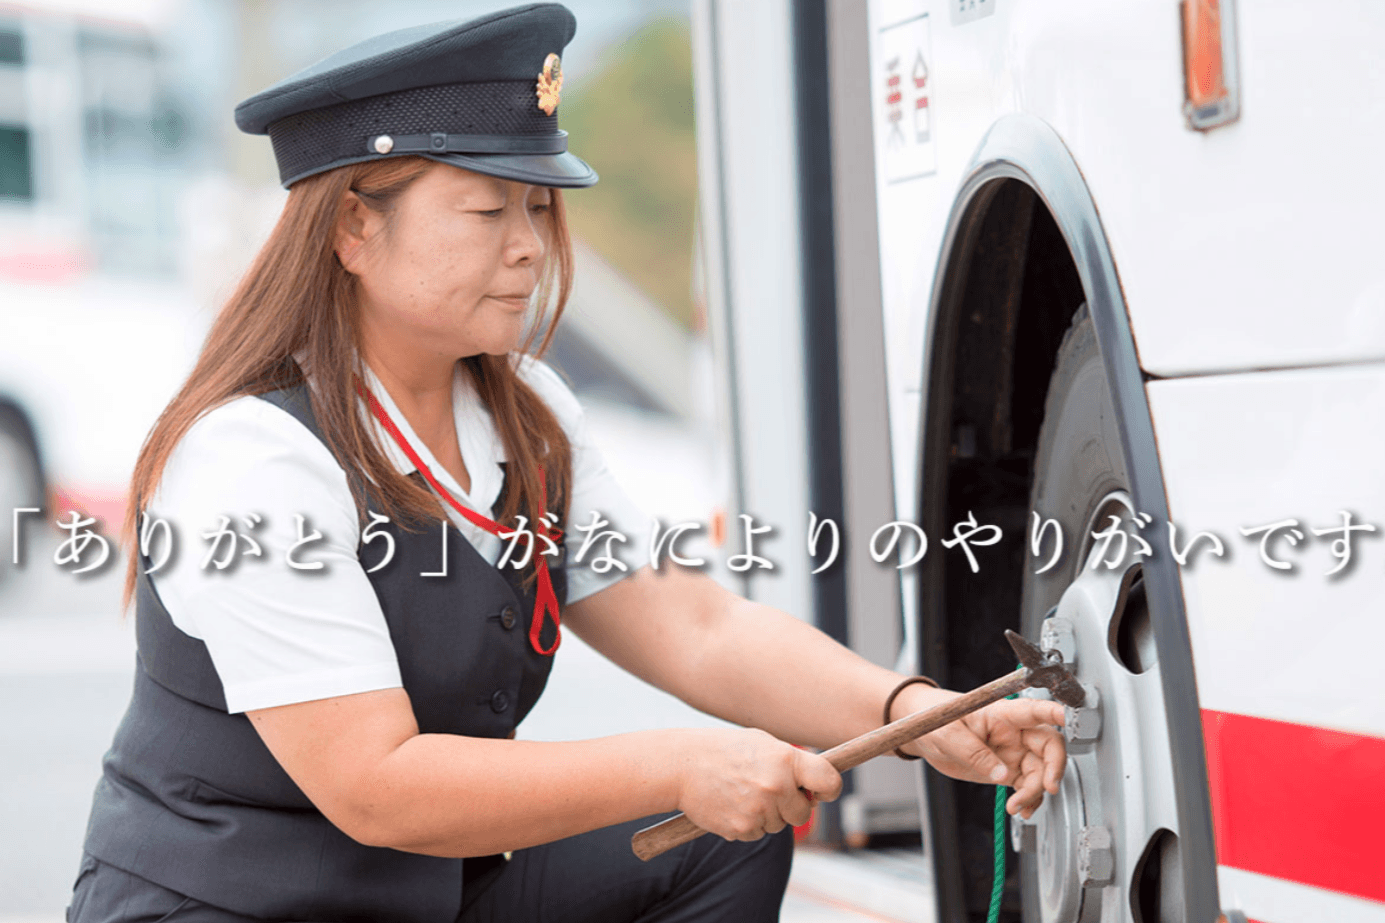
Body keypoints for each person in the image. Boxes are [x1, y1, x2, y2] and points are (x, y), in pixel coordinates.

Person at [66, 5, 1068, 922]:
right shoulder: (253, 458)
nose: (530, 248)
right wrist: (677, 762)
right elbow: (373, 782)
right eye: (486, 210)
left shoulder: (524, 413)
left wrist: (910, 713)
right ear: (352, 228)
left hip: (422, 902)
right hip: (224, 909)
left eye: (538, 208)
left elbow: (695, 626)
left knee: (726, 839)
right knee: (698, 796)